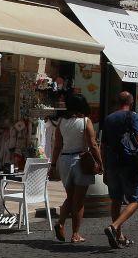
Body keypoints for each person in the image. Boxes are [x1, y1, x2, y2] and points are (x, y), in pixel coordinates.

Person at [49, 92, 101, 244]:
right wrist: (100, 162)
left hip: (65, 160)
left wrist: (53, 165)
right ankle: (75, 234)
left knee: (70, 197)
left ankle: (61, 222)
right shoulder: (85, 121)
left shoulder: (61, 122)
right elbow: (93, 144)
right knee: (79, 200)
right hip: (81, 160)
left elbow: (57, 146)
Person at [100, 91, 138, 249]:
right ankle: (114, 227)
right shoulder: (132, 116)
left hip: (112, 163)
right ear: (131, 102)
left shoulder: (108, 118)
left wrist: (105, 168)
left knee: (116, 199)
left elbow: (103, 145)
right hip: (129, 163)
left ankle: (119, 236)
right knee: (136, 199)